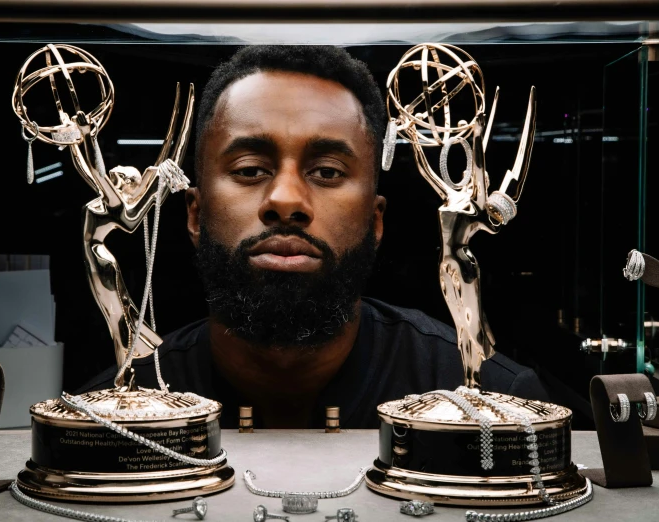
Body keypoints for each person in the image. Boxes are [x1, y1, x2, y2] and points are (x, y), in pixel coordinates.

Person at [81, 45, 548, 428]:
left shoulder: (499, 403)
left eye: (327, 172)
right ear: (196, 214)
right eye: (249, 170)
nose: (286, 200)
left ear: (376, 220)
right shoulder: (103, 420)